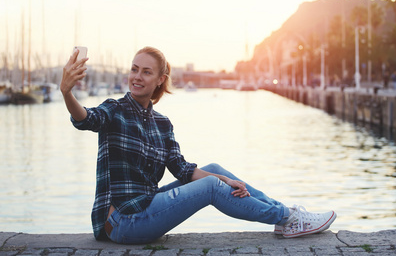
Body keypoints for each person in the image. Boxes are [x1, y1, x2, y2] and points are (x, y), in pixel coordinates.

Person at [60, 46, 336, 244]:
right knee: (212, 186)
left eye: (146, 72)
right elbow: (86, 119)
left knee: (215, 171)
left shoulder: (162, 123)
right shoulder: (115, 110)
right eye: (134, 70)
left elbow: (182, 169)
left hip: (146, 206)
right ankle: (287, 218)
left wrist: (224, 178)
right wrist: (66, 92)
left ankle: (285, 215)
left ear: (159, 81)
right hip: (121, 222)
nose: (137, 77)